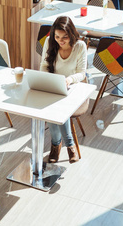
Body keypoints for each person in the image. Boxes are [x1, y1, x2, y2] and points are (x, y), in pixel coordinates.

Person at [40, 16, 87, 164]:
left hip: (73, 86)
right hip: (54, 86)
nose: (61, 41)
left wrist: (68, 80)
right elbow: (43, 67)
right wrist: (50, 80)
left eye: (65, 37)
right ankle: (67, 145)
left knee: (58, 106)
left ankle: (59, 144)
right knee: (54, 103)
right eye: (57, 36)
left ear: (71, 35)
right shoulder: (49, 42)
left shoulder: (80, 46)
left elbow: (82, 73)